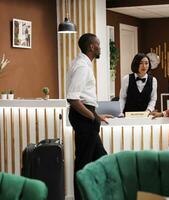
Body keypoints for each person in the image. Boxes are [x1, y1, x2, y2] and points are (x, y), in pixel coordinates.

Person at [66, 33, 112, 200]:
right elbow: (73, 98)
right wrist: (93, 117)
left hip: (87, 117)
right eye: (98, 44)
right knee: (84, 163)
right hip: (84, 118)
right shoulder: (82, 66)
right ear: (92, 46)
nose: (100, 47)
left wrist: (96, 115)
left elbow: (83, 97)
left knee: (102, 159)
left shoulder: (82, 64)